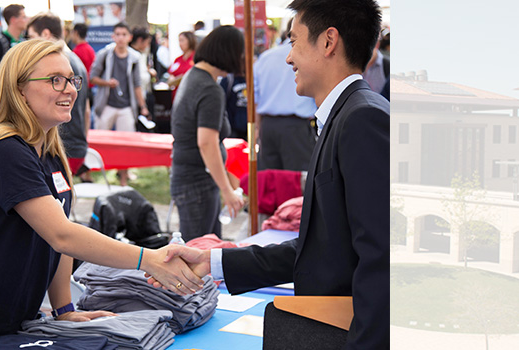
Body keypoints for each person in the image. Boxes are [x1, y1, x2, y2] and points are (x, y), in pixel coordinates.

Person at [155, 0, 389, 348]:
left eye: (294, 41)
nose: (288, 57)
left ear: (328, 42)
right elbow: (323, 249)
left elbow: (381, 259)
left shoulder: (361, 120)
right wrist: (214, 260)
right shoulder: (344, 116)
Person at [0, 39, 203, 349]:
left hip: (16, 323)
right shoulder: (5, 150)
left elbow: (58, 239)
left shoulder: (49, 153)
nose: (70, 89)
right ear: (19, 89)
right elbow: (63, 235)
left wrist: (64, 310)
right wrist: (148, 259)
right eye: (55, 80)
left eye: (72, 79)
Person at [169, 25, 246, 242]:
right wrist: (227, 190)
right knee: (199, 251)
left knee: (205, 248)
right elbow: (206, 143)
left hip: (191, 179)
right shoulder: (209, 89)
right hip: (198, 183)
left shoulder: (193, 76)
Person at [26, 12, 91, 179]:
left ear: (46, 34)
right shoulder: (76, 62)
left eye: (32, 36)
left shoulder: (60, 63)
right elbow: (86, 110)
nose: (29, 42)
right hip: (74, 144)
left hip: (61, 145)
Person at [254, 17, 317, 171]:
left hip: (268, 126)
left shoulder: (266, 57)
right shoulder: (307, 57)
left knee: (271, 183)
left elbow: (256, 97)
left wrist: (258, 128)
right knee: (298, 183)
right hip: (294, 127)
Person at [90, 22, 149, 186]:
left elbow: (137, 84)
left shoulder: (135, 58)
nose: (121, 38)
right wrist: (107, 83)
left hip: (126, 107)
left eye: (124, 34)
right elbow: (93, 77)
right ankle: (97, 173)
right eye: (118, 34)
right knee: (100, 141)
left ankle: (123, 178)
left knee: (126, 145)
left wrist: (142, 106)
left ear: (129, 37)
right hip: (107, 105)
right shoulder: (105, 54)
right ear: (113, 36)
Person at [167, 31, 196, 102]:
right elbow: (171, 73)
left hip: (190, 95)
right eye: (179, 41)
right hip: (177, 95)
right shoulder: (178, 59)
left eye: (182, 40)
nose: (180, 44)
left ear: (190, 41)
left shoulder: (195, 58)